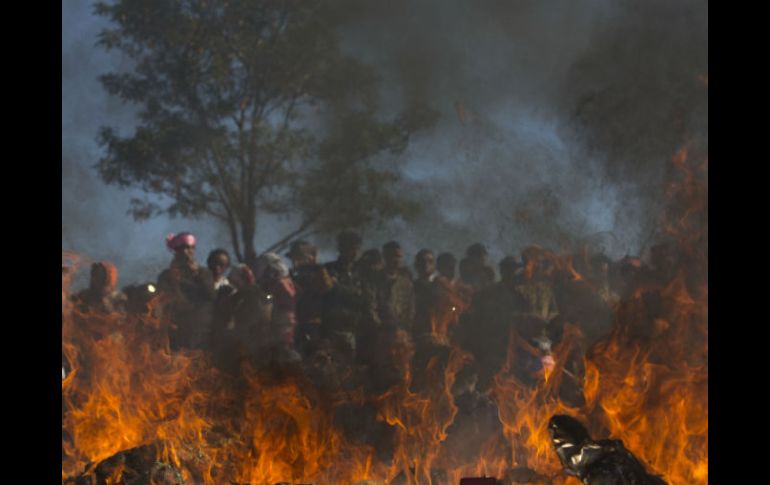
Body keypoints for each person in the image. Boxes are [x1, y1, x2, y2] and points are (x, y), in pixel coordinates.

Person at [157, 232, 215, 350]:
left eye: (190, 248)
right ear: (176, 251)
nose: (186, 252)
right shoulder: (166, 275)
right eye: (183, 248)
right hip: (175, 327)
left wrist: (196, 274)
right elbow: (162, 299)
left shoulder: (204, 273)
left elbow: (210, 295)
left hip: (198, 327)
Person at [322, 231, 366, 363]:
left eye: (356, 248)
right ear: (341, 248)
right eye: (350, 248)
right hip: (332, 328)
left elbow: (364, 298)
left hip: (354, 329)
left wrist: (340, 288)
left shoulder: (361, 272)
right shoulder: (329, 269)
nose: (353, 252)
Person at [286, 240, 334, 357]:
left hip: (313, 322)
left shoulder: (318, 271)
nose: (296, 260)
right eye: (294, 257)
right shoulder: (291, 274)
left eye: (299, 257)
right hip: (294, 323)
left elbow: (326, 287)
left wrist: (317, 267)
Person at [255, 252, 299, 362]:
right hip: (278, 322)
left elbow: (286, 301)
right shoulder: (280, 282)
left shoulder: (282, 283)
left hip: (285, 321)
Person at [372, 241, 415, 332]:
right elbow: (371, 307)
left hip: (400, 332)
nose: (397, 260)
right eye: (393, 256)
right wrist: (380, 326)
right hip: (378, 332)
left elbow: (410, 310)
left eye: (399, 257)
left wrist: (404, 329)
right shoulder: (374, 280)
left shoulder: (406, 284)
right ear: (385, 257)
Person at [412, 249, 437, 337]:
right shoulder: (411, 287)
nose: (425, 264)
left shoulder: (442, 286)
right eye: (422, 261)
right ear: (416, 265)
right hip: (417, 332)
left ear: (434, 265)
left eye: (430, 261)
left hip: (439, 332)